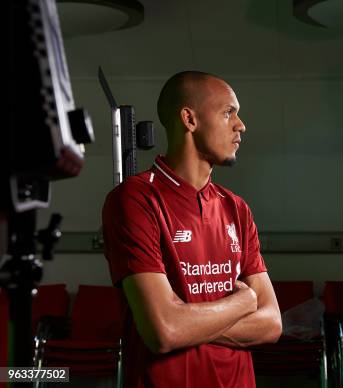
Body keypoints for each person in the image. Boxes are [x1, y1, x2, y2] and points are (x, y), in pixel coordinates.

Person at [102, 71, 282, 388]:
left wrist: (187, 320)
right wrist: (243, 302)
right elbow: (164, 332)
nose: (241, 125)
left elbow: (271, 324)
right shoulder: (134, 199)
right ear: (189, 119)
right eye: (229, 112)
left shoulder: (236, 207)